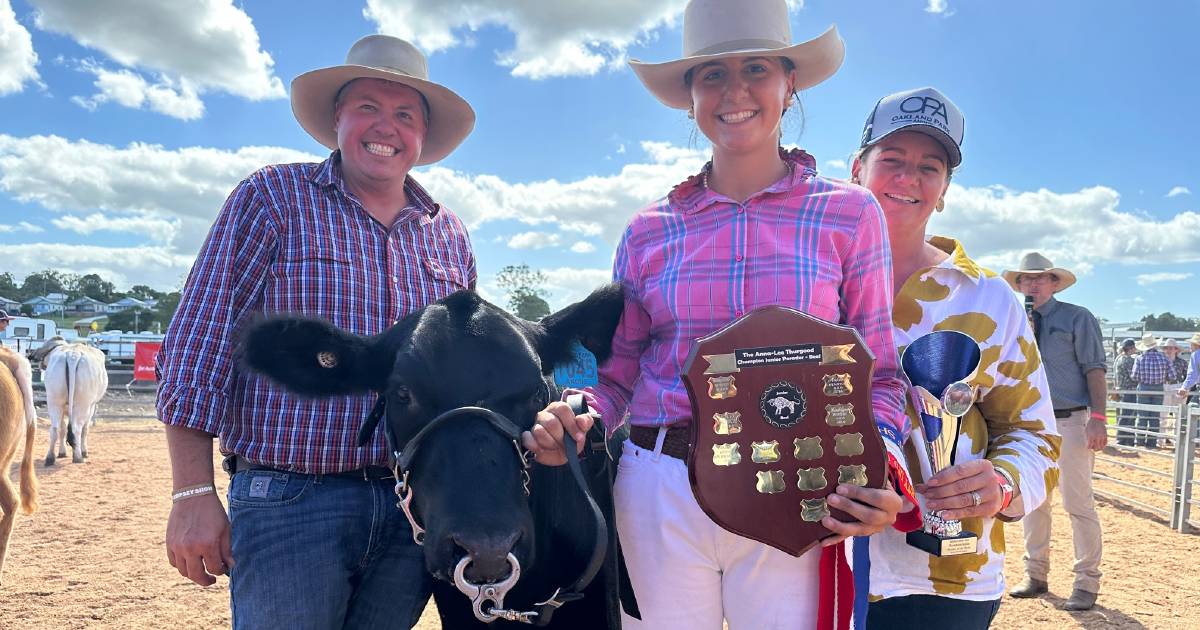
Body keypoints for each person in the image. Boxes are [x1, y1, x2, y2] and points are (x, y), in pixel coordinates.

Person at [525, 2, 919, 628]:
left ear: (789, 85)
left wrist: (883, 468)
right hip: (660, 485)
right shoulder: (648, 231)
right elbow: (618, 374)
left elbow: (882, 373)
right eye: (711, 74)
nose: (734, 91)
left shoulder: (849, 215)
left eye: (756, 68)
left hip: (798, 482)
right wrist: (578, 417)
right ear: (690, 96)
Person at [156, 35, 477, 629]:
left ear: (422, 135)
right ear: (337, 118)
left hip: (413, 509)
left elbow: (462, 371)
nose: (386, 126)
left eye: (405, 114)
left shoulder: (448, 235)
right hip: (290, 499)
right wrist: (191, 494)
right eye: (368, 108)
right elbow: (200, 342)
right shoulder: (273, 198)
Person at [847, 87, 1059, 629]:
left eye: (930, 167)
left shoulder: (989, 297)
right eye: (891, 160)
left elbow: (1035, 434)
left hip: (945, 579)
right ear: (856, 169)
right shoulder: (806, 281)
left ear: (943, 191)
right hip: (811, 564)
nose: (909, 178)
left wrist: (1003, 485)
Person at [1003, 252, 1107, 611]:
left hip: (1071, 419)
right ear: (1018, 286)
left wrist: (1099, 417)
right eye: (1025, 279)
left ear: (1053, 282)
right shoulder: (1013, 320)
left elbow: (1095, 369)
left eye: (1040, 278)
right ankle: (1035, 573)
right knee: (1034, 501)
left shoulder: (1077, 318)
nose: (1032, 284)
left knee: (1079, 504)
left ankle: (1086, 582)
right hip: (1032, 422)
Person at [1131, 333, 1168, 449]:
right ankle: (1152, 443)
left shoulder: (1140, 358)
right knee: (1155, 416)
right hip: (1158, 388)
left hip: (1144, 388)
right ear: (1155, 345)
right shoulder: (1163, 357)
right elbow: (1172, 375)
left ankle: (1140, 442)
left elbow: (1134, 376)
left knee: (1142, 415)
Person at [1113, 338, 1139, 446]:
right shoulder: (1128, 360)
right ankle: (1123, 439)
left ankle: (1126, 439)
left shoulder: (1119, 359)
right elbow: (1133, 376)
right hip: (1130, 390)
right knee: (1128, 415)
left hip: (1122, 389)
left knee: (1126, 414)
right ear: (1131, 348)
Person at [1162, 338, 1188, 430]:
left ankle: (1176, 439)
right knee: (1163, 414)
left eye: (1171, 348)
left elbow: (1187, 376)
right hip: (1165, 386)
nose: (1168, 350)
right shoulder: (1161, 361)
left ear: (1176, 349)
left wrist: (1186, 389)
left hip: (1178, 386)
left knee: (1179, 413)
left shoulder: (1182, 362)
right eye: (1166, 348)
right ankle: (1160, 440)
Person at [1177, 332, 1200, 405]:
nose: (1190, 347)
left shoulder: (1196, 354)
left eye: (1192, 344)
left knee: (1192, 408)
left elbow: (1193, 374)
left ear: (1196, 345)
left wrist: (1184, 387)